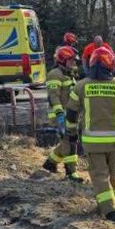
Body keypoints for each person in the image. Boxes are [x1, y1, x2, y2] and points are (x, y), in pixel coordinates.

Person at [66, 46, 115, 221]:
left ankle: (109, 211)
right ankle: (106, 206)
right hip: (114, 142)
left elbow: (71, 113)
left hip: (92, 143)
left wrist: (72, 133)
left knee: (99, 177)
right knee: (112, 175)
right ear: (111, 65)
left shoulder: (81, 86)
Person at [42, 45, 82, 180]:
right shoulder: (55, 74)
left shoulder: (68, 73)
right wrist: (59, 115)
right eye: (71, 60)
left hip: (70, 114)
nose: (74, 63)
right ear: (62, 60)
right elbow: (54, 96)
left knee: (67, 140)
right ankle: (71, 172)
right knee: (69, 142)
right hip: (61, 114)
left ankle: (50, 163)